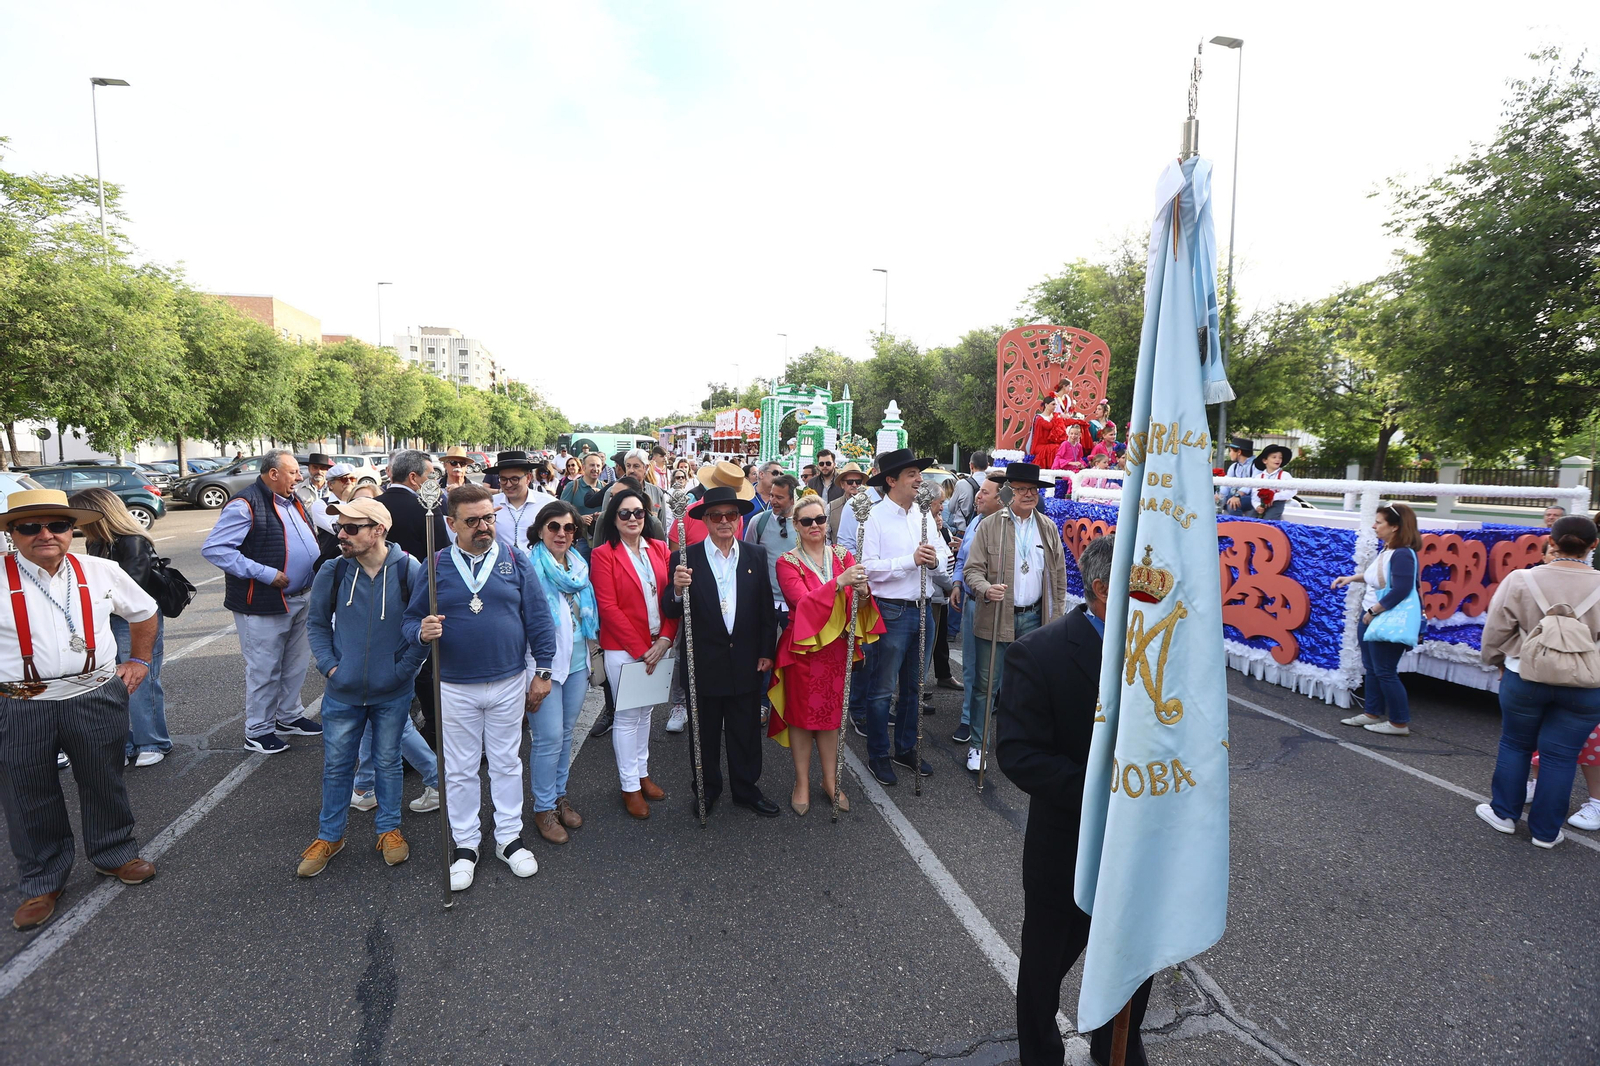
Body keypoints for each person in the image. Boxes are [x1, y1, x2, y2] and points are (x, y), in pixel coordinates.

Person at [997, 533, 1154, 1066]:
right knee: (1046, 962)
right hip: (1068, 842)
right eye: (1144, 585)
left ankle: (1118, 1045)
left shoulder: (1159, 646)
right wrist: (1106, 792)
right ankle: (1039, 1053)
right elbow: (1018, 753)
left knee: (1133, 956)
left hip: (1140, 844)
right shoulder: (1037, 654)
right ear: (1105, 589)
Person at [1, 489, 160, 931]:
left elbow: (146, 612)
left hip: (95, 694)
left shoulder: (100, 569)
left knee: (103, 779)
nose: (45, 535)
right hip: (21, 702)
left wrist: (140, 661)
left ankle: (115, 855)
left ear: (73, 530)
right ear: (13, 533)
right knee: (27, 793)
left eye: (57, 525)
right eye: (30, 527)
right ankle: (42, 881)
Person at [403, 483, 555, 891]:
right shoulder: (434, 566)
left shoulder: (513, 559)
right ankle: (465, 845)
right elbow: (409, 620)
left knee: (506, 762)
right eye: (473, 521)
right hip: (453, 685)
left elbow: (538, 618)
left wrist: (543, 671)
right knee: (460, 769)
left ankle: (509, 838)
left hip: (507, 680)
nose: (484, 526)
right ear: (451, 524)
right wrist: (421, 630)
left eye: (489, 517)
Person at [298, 497, 431, 877]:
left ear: (379, 530)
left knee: (388, 764)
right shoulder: (333, 571)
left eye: (351, 528)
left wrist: (403, 670)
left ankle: (388, 830)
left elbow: (419, 629)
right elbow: (318, 625)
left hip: (393, 691)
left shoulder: (409, 569)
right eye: (341, 526)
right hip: (342, 691)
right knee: (338, 767)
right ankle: (330, 836)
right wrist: (330, 667)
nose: (341, 534)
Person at [1477, 515, 1600, 849]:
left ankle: (1503, 814)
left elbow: (1496, 629)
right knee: (1561, 757)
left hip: (1525, 675)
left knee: (1516, 744)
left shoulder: (1521, 579)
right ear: (1594, 545)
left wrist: (1493, 660)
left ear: (1551, 541)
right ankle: (1546, 833)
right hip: (1586, 685)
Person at [667, 486, 781, 817]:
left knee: (745, 731)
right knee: (704, 733)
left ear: (738, 519)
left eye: (731, 515)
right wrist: (676, 589)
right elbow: (671, 609)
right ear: (704, 520)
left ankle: (746, 789)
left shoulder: (754, 556)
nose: (724, 521)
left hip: (746, 659)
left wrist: (766, 650)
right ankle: (706, 790)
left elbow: (765, 609)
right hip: (702, 662)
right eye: (716, 515)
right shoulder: (684, 559)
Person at [200, 449, 324, 754]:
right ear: (273, 474)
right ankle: (258, 730)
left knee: (294, 665)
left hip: (301, 597)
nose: (300, 477)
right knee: (264, 668)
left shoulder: (293, 500)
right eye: (294, 472)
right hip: (264, 601)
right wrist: (265, 573)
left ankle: (289, 716)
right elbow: (216, 549)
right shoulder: (245, 504)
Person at [768, 493, 883, 814]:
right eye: (807, 521)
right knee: (803, 719)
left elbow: (858, 599)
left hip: (836, 649)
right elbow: (801, 602)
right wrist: (839, 583)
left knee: (832, 719)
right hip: (803, 650)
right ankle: (802, 781)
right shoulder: (786, 562)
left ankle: (831, 780)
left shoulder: (844, 555)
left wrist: (862, 590)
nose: (815, 525)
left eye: (820, 519)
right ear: (796, 525)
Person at [963, 463, 1068, 774]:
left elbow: (1058, 577)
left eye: (1033, 490)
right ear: (1009, 492)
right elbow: (972, 570)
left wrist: (1057, 618)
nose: (1029, 495)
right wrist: (985, 588)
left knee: (1028, 686)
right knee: (986, 685)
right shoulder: (990, 525)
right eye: (1022, 489)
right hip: (997, 616)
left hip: (1035, 618)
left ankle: (1020, 742)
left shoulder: (1047, 527)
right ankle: (977, 746)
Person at [859, 449, 950, 786]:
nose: (919, 479)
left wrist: (935, 561)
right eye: (912, 474)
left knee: (914, 688)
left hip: (922, 609)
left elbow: (943, 556)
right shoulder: (873, 517)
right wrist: (909, 561)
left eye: (918, 473)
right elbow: (867, 569)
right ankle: (878, 754)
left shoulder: (923, 515)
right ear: (891, 480)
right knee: (882, 689)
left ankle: (906, 748)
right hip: (892, 611)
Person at [590, 488, 679, 818]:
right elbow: (609, 608)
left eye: (638, 512)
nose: (632, 519)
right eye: (625, 513)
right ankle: (629, 786)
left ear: (647, 515)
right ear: (614, 517)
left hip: (659, 645)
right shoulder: (603, 555)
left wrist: (666, 639)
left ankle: (641, 773)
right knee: (627, 719)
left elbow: (672, 599)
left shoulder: (659, 549)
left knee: (645, 715)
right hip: (626, 651)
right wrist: (644, 650)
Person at [69, 487, 172, 768]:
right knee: (110, 683)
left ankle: (153, 741)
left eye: (80, 515)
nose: (74, 522)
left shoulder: (132, 540)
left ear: (97, 513)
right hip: (108, 619)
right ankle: (124, 743)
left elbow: (132, 588)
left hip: (134, 621)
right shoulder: (96, 541)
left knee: (140, 681)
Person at [524, 500, 595, 844]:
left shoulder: (579, 566)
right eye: (554, 526)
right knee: (548, 738)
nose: (562, 533)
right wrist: (536, 671)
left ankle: (559, 795)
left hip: (579, 660)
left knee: (566, 734)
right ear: (540, 530)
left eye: (569, 528)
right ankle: (543, 807)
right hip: (544, 665)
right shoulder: (527, 566)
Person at [377, 449, 450, 746]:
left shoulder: (370, 506)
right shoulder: (426, 510)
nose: (431, 480)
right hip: (418, 599)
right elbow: (443, 557)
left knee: (386, 662)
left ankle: (390, 729)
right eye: (429, 474)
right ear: (413, 477)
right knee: (423, 667)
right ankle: (432, 728)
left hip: (376, 600)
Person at [1333, 502, 1422, 736]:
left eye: (1379, 522)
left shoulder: (1403, 553)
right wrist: (1352, 578)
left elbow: (1402, 588)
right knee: (1372, 668)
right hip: (1372, 615)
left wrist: (1374, 611)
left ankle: (1399, 722)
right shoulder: (1389, 550)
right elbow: (1380, 577)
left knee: (1385, 671)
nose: (1374, 526)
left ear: (1395, 527)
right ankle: (1371, 712)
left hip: (1383, 617)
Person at [950, 473, 1005, 745]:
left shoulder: (1008, 528)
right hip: (973, 604)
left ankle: (991, 714)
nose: (977, 496)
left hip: (1000, 607)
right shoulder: (975, 521)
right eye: (979, 491)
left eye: (984, 492)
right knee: (972, 667)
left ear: (1002, 498)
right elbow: (963, 558)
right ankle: (967, 718)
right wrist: (958, 583)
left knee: (997, 668)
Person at [487, 451, 558, 557]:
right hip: (501, 568)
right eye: (503, 479)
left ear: (528, 478)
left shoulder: (548, 504)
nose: (509, 484)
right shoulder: (489, 505)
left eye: (515, 479)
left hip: (537, 569)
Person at [561, 452, 608, 557]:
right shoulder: (573, 486)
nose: (595, 468)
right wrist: (579, 519)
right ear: (583, 467)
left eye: (598, 466)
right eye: (592, 465)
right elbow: (561, 512)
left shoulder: (606, 488)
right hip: (580, 539)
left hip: (601, 538)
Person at [946, 452, 990, 538]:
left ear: (971, 465)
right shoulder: (992, 484)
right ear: (987, 465)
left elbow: (951, 508)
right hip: (987, 532)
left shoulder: (961, 484)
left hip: (963, 532)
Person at [1250, 445, 1296, 520]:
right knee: (1250, 519)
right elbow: (1254, 495)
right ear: (1265, 461)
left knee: (1269, 520)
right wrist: (1257, 506)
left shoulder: (1285, 475)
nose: (1277, 460)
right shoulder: (1259, 477)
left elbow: (1292, 490)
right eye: (1274, 457)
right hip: (1262, 504)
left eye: (1280, 457)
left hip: (1277, 503)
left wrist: (1274, 497)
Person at [828, 462, 869, 544]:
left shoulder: (871, 505)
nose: (854, 485)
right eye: (850, 482)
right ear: (842, 484)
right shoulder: (832, 507)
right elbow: (826, 537)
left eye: (858, 482)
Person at [1217, 438, 1255, 511]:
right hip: (1234, 495)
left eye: (1230, 451)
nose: (1229, 454)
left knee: (1232, 505)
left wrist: (1237, 495)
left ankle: (1237, 522)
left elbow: (1252, 484)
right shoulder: (1234, 466)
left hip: (1251, 497)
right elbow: (1227, 484)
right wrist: (1219, 496)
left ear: (1239, 452)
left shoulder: (1256, 465)